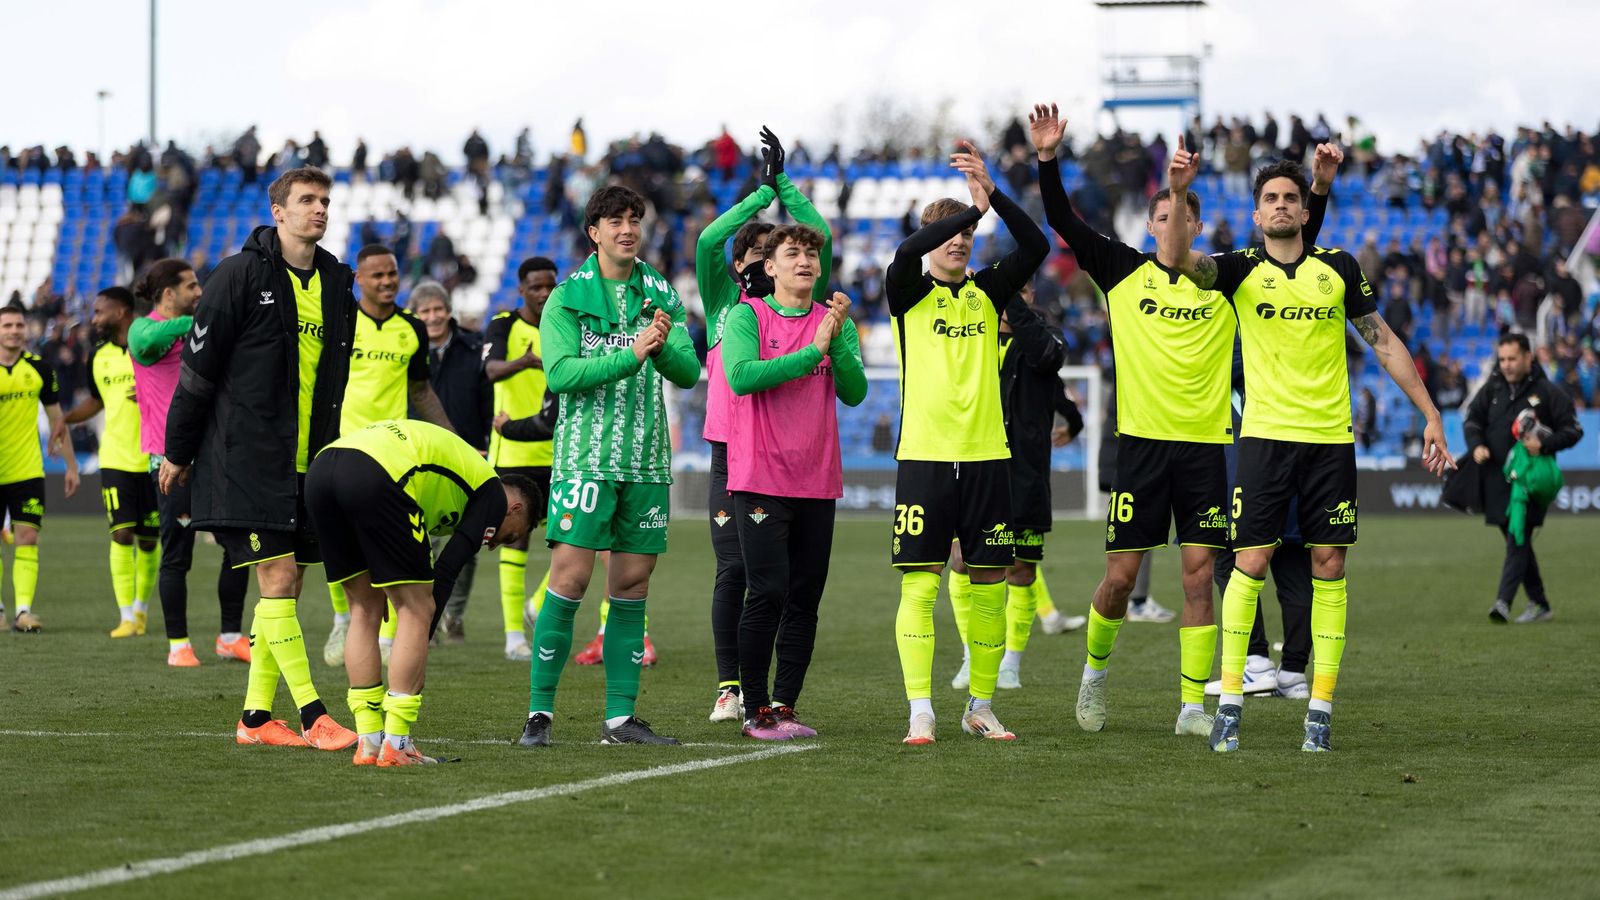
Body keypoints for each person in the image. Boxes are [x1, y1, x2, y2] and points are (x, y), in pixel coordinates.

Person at [1171, 154, 1453, 753]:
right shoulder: (1240, 270)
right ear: (1256, 213)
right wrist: (1177, 190)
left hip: (1330, 442)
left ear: (1304, 210)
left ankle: (1319, 710)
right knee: (1248, 562)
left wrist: (1431, 413)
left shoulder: (1338, 269)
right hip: (1266, 440)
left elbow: (1384, 343)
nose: (1280, 205)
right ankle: (1228, 703)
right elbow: (1175, 259)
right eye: (1270, 198)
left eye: (1289, 198)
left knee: (1329, 563)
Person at [1033, 108, 1237, 738]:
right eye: (1164, 215)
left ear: (1198, 226)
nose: (1173, 225)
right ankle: (1093, 674)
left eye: (1183, 216)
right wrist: (1047, 159)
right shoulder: (1122, 268)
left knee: (1200, 577)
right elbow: (1064, 220)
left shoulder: (1225, 280)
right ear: (1150, 226)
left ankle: (1192, 707)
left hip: (1206, 448)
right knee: (1120, 580)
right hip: (1142, 449)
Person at [160, 166, 359, 751]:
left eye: (325, 200)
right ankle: (312, 714)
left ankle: (253, 720)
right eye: (306, 200)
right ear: (278, 211)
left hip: (307, 462)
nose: (319, 209)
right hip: (243, 459)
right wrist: (179, 450)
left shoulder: (335, 283)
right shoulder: (238, 276)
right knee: (275, 577)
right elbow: (198, 373)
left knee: (287, 586)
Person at [516, 185, 701, 747]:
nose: (627, 230)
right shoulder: (567, 298)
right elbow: (562, 375)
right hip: (585, 461)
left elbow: (689, 371)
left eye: (634, 221)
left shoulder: (659, 289)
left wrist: (661, 346)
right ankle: (539, 714)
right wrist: (633, 352)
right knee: (569, 580)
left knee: (632, 585)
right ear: (593, 232)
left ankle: (620, 719)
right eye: (615, 221)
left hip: (645, 463)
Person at [889, 142, 1049, 745]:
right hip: (925, 456)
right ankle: (921, 709)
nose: (958, 243)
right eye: (947, 235)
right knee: (921, 584)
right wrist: (968, 214)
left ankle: (980, 704)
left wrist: (994, 197)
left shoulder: (987, 292)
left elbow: (1035, 246)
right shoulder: (908, 291)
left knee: (988, 583)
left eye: (964, 236)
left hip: (987, 457)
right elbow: (907, 251)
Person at [694, 127, 832, 723]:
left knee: (778, 580)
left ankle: (771, 695)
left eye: (765, 255)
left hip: (779, 454)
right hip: (730, 450)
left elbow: (815, 237)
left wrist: (784, 187)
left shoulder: (797, 297)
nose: (756, 263)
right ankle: (732, 686)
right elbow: (708, 241)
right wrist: (758, 195)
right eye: (750, 254)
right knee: (735, 568)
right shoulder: (726, 299)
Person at [306, 419, 536, 767]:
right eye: (507, 537)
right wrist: (419, 644)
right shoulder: (491, 493)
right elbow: (445, 572)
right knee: (416, 610)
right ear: (516, 509)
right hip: (376, 471)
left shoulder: (455, 486)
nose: (494, 546)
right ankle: (397, 745)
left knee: (364, 611)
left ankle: (369, 743)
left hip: (323, 470)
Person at [721, 224, 865, 740]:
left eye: (811, 253)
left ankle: (784, 706)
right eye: (792, 253)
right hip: (761, 477)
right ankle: (754, 708)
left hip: (817, 479)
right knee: (767, 591)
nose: (804, 261)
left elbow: (854, 392)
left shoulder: (835, 320)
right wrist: (812, 351)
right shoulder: (748, 315)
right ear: (771, 267)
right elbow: (741, 376)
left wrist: (837, 341)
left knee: (805, 596)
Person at [322, 244, 452, 668]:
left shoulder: (412, 328)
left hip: (394, 455)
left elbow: (420, 391)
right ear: (359, 279)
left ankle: (388, 638)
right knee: (341, 542)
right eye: (376, 275)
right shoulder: (340, 321)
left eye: (392, 274)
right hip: (342, 449)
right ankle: (343, 617)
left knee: (396, 547)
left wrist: (453, 440)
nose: (386, 281)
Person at [123, 259, 250, 666]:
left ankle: (230, 635)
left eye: (202, 288)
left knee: (241, 546)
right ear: (168, 294)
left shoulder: (203, 331)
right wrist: (206, 317)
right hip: (169, 458)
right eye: (193, 286)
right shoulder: (144, 329)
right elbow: (142, 344)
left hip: (217, 455)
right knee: (178, 553)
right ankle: (178, 644)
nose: (199, 292)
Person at [54, 287, 162, 640]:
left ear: (121, 312)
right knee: (121, 533)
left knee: (148, 541)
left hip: (153, 457)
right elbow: (98, 401)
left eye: (100, 312)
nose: (95, 318)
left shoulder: (152, 346)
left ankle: (142, 611)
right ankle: (126, 616)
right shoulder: (97, 357)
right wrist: (66, 419)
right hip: (115, 456)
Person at [1463, 333, 1582, 624]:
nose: (1506, 365)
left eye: (1512, 358)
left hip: (1530, 482)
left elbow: (1574, 430)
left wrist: (1545, 445)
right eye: (1502, 359)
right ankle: (1540, 603)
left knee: (1518, 537)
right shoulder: (1492, 388)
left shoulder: (1548, 392)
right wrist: (1476, 443)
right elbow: (1472, 419)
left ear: (1528, 357)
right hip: (1496, 479)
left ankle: (1503, 603)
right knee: (1518, 539)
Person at [484, 257, 557, 663]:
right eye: (536, 287)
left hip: (559, 448)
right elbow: (490, 369)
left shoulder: (564, 323)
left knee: (574, 533)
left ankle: (538, 603)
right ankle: (514, 635)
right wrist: (524, 362)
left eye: (550, 285)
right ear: (521, 290)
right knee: (514, 538)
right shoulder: (504, 324)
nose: (544, 293)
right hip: (512, 451)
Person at [411, 281, 493, 641]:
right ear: (415, 315)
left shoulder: (474, 348)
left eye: (437, 309)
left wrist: (485, 441)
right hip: (418, 457)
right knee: (421, 541)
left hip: (468, 455)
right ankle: (423, 616)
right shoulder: (406, 348)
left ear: (449, 311)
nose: (432, 317)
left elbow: (487, 398)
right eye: (424, 311)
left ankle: (453, 616)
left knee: (467, 541)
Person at [0, 304, 79, 633]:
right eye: (7, 326)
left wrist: (72, 465)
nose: (14, 330)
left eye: (19, 325)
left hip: (27, 468)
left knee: (28, 537)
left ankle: (23, 611)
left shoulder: (40, 369)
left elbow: (56, 419)